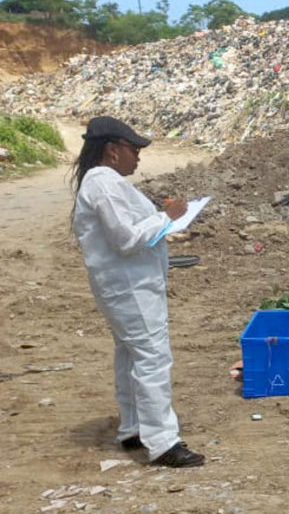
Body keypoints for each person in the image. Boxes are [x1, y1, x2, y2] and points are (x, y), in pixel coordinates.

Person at [72, 116, 204, 468]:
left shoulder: (103, 182)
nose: (139, 157)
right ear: (113, 151)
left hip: (125, 285)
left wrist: (161, 218)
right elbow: (127, 238)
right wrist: (167, 217)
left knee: (130, 355)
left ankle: (133, 428)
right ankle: (162, 442)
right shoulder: (103, 184)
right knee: (152, 358)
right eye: (134, 149)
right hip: (130, 287)